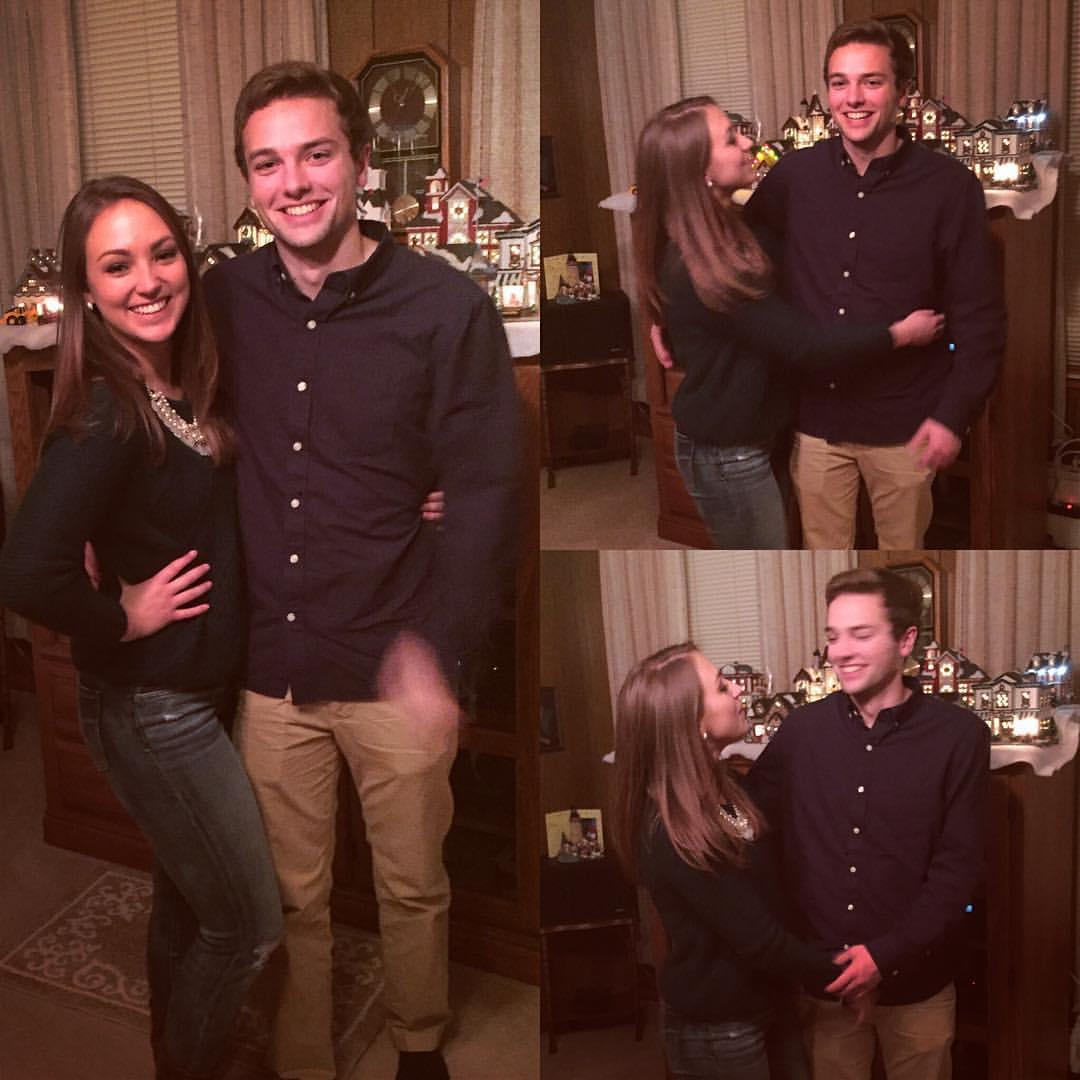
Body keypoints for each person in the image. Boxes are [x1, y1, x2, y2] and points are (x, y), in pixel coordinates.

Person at [202, 62, 520, 1080]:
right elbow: (151, 413)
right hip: (272, 662)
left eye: (315, 154)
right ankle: (304, 1060)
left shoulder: (446, 307)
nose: (293, 181)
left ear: (362, 161)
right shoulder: (220, 299)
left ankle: (419, 1043)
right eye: (267, 163)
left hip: (398, 656)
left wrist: (445, 647)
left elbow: (486, 490)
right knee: (288, 896)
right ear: (247, 180)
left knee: (411, 883)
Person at [0, 176, 283, 1080]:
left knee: (188, 906)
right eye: (116, 266)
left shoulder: (177, 381)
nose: (148, 280)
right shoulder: (105, 409)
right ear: (86, 291)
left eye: (162, 254)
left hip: (194, 690)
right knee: (249, 924)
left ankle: (176, 1055)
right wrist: (119, 617)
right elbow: (26, 570)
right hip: (153, 707)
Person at [634, 96, 944, 549]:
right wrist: (900, 334)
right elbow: (805, 345)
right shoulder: (705, 268)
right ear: (699, 171)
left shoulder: (732, 226)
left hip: (756, 435)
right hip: (726, 451)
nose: (748, 144)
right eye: (731, 139)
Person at [744, 19, 1005, 548]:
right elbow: (731, 258)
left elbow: (980, 316)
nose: (853, 98)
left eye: (872, 81)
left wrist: (952, 416)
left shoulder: (950, 187)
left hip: (906, 423)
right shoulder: (794, 176)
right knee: (821, 557)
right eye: (839, 82)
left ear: (903, 92)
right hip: (816, 421)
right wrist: (665, 314)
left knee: (900, 556)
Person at [748, 568, 990, 1080]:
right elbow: (748, 824)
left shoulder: (959, 736)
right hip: (828, 977)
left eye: (860, 634)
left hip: (919, 979)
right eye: (833, 636)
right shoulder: (802, 731)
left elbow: (960, 869)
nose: (841, 652)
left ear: (906, 640)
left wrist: (883, 956)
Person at [611, 643, 848, 1079]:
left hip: (766, 1001)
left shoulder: (722, 788)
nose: (738, 690)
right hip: (720, 1029)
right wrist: (847, 975)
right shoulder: (673, 829)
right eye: (722, 687)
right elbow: (759, 939)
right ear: (692, 722)